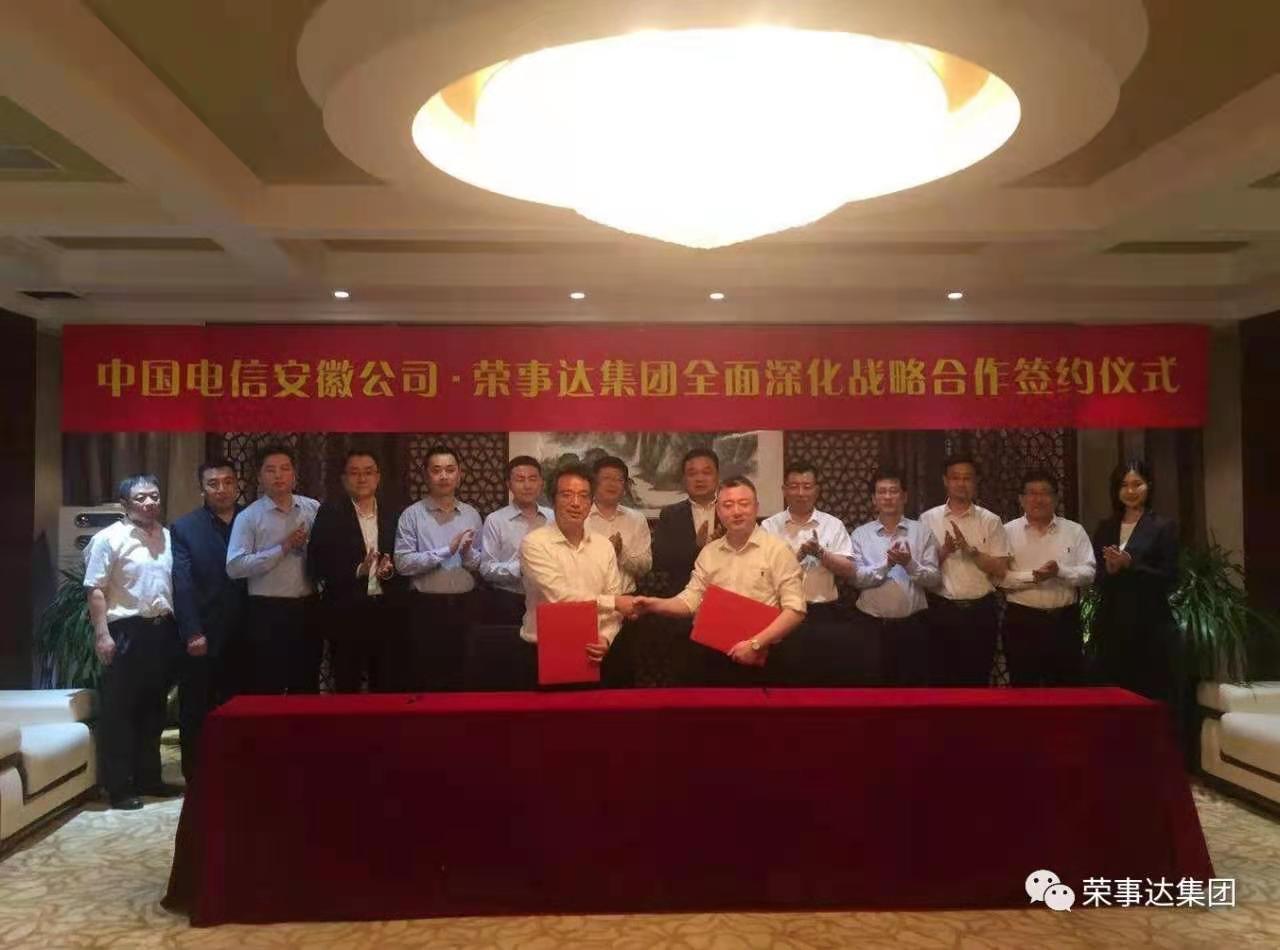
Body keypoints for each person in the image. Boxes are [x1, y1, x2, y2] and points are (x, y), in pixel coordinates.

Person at [633, 476, 805, 686]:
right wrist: (655, 604)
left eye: (744, 503)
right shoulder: (709, 553)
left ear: (756, 507)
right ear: (718, 511)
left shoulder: (777, 550)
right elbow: (690, 600)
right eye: (728, 505)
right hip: (711, 655)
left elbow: (795, 610)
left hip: (761, 654)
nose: (736, 511)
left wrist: (756, 644)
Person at [84, 474, 182, 809]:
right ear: (125, 504)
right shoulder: (108, 539)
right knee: (120, 711)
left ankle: (149, 778)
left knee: (154, 709)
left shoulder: (168, 537)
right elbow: (95, 590)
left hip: (162, 630)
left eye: (154, 496)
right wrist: (102, 634)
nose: (150, 502)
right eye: (141, 498)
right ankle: (119, 786)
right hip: (125, 630)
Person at [519, 463, 629, 687]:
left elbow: (614, 601)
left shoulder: (603, 546)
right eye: (567, 495)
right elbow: (560, 597)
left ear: (591, 502)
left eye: (584, 496)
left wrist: (605, 637)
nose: (576, 503)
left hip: (595, 651)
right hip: (543, 651)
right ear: (553, 499)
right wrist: (613, 602)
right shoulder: (534, 543)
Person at [170, 459, 246, 782]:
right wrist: (192, 632)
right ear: (201, 488)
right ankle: (197, 777)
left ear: (237, 485)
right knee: (196, 708)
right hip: (205, 632)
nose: (221, 489)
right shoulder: (185, 528)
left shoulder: (253, 519)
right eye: (213, 483)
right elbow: (182, 584)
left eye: (228, 482)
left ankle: (240, 772)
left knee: (242, 707)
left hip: (248, 632)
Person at [226, 445, 321, 694]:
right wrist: (283, 548)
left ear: (294, 474)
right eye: (270, 470)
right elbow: (235, 566)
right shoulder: (249, 517)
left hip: (308, 607)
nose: (278, 475)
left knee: (306, 682)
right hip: (267, 610)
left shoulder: (313, 508)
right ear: (259, 477)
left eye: (285, 469)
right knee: (268, 684)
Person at [307, 449, 403, 692]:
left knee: (386, 685)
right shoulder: (330, 513)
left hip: (387, 611)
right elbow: (317, 563)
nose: (362, 479)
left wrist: (388, 571)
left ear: (378, 477)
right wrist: (358, 569)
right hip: (345, 613)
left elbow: (406, 557)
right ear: (343, 479)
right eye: (355, 473)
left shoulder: (395, 512)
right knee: (346, 685)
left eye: (368, 472)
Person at [1090, 460, 1181, 708]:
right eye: (1124, 485)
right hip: (1112, 621)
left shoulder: (1163, 526)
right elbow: (1096, 576)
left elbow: (1170, 576)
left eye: (1137, 484)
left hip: (1150, 623)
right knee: (1113, 697)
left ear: (1148, 486)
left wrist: (1131, 564)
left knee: (1148, 697)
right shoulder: (1105, 527)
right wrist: (1110, 570)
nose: (1130, 491)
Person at [394, 444, 482, 690]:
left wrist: (466, 553)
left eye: (450, 470)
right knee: (427, 677)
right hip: (426, 608)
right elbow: (402, 563)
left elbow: (479, 563)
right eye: (436, 470)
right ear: (426, 475)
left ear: (459, 475)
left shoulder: (471, 515)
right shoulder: (412, 515)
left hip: (466, 605)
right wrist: (446, 551)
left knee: (464, 676)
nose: (444, 476)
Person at [1000, 470, 1096, 686]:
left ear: (1055, 498)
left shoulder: (1074, 531)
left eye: (1045, 493)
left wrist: (1059, 572)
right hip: (1022, 621)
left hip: (1064, 621)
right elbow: (999, 579)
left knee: (1066, 689)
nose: (1038, 499)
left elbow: (1089, 573)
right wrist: (1034, 577)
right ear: (1021, 499)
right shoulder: (1007, 532)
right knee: (1024, 689)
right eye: (1032, 493)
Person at [920, 455, 1010, 686]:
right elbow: (921, 571)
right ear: (945, 481)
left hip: (980, 612)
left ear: (976, 481)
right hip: (940, 609)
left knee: (977, 681)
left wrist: (972, 552)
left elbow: (1001, 569)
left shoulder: (991, 520)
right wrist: (945, 551)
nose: (961, 483)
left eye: (967, 478)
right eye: (955, 478)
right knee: (940, 682)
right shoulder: (927, 519)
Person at [849, 468, 941, 686]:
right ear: (874, 499)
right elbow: (856, 579)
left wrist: (909, 563)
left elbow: (934, 579)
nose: (888, 497)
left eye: (894, 491)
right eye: (882, 492)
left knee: (912, 689)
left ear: (904, 496)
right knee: (873, 688)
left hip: (914, 626)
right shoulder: (860, 534)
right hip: (870, 625)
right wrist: (887, 564)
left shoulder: (922, 532)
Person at [584, 456, 653, 684]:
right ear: (593, 482)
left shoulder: (636, 519)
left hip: (626, 604)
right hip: (589, 602)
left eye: (619, 479)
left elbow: (645, 566)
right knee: (585, 669)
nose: (613, 484)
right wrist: (605, 552)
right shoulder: (581, 516)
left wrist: (621, 553)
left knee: (622, 673)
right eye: (606, 478)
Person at [760, 461, 854, 623]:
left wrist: (821, 553)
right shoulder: (769, 526)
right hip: (781, 610)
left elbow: (849, 570)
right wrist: (798, 556)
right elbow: (762, 573)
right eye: (794, 487)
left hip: (823, 611)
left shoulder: (833, 525)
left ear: (816, 491)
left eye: (807, 487)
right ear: (784, 490)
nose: (800, 493)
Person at [478, 456, 553, 625]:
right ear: (509, 484)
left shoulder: (553, 518)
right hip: (509, 600)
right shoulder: (495, 520)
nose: (527, 485)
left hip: (547, 599)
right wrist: (521, 569)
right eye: (520, 479)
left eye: (532, 479)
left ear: (541, 483)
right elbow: (486, 568)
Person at [652, 448, 721, 594]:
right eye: (692, 473)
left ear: (717, 477)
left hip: (726, 593)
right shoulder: (670, 515)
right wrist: (696, 546)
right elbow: (660, 561)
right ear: (684, 480)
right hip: (682, 594)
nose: (699, 479)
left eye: (706, 472)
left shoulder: (731, 512)